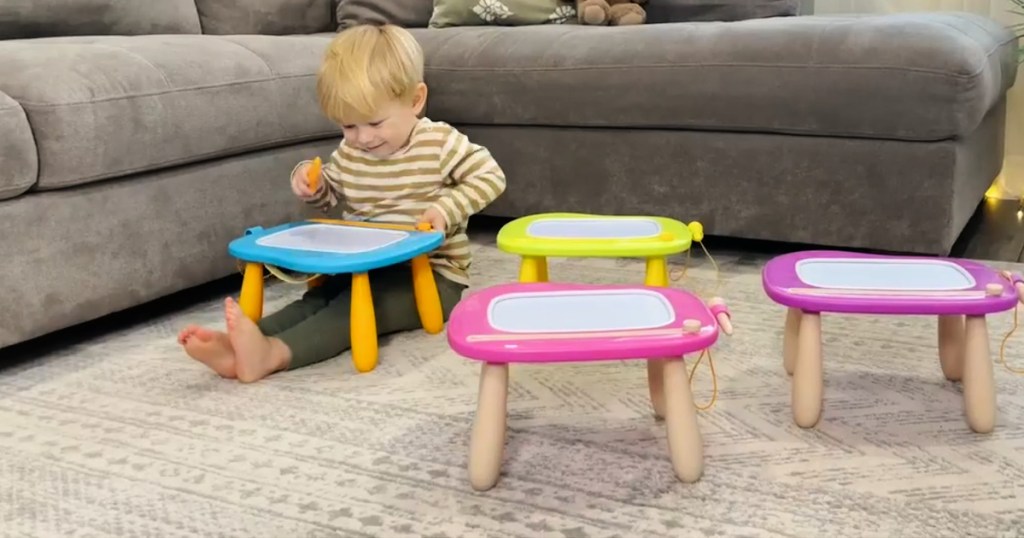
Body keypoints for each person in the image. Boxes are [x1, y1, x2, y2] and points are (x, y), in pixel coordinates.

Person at [177, 24, 507, 382]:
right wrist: (310, 182)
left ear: (415, 100)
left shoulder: (440, 142)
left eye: (374, 122)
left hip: (430, 274)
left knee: (348, 311)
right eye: (348, 126)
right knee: (317, 301)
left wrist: (446, 208)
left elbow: (491, 177)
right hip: (362, 265)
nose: (362, 138)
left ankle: (274, 354)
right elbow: (330, 195)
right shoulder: (352, 151)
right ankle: (241, 344)